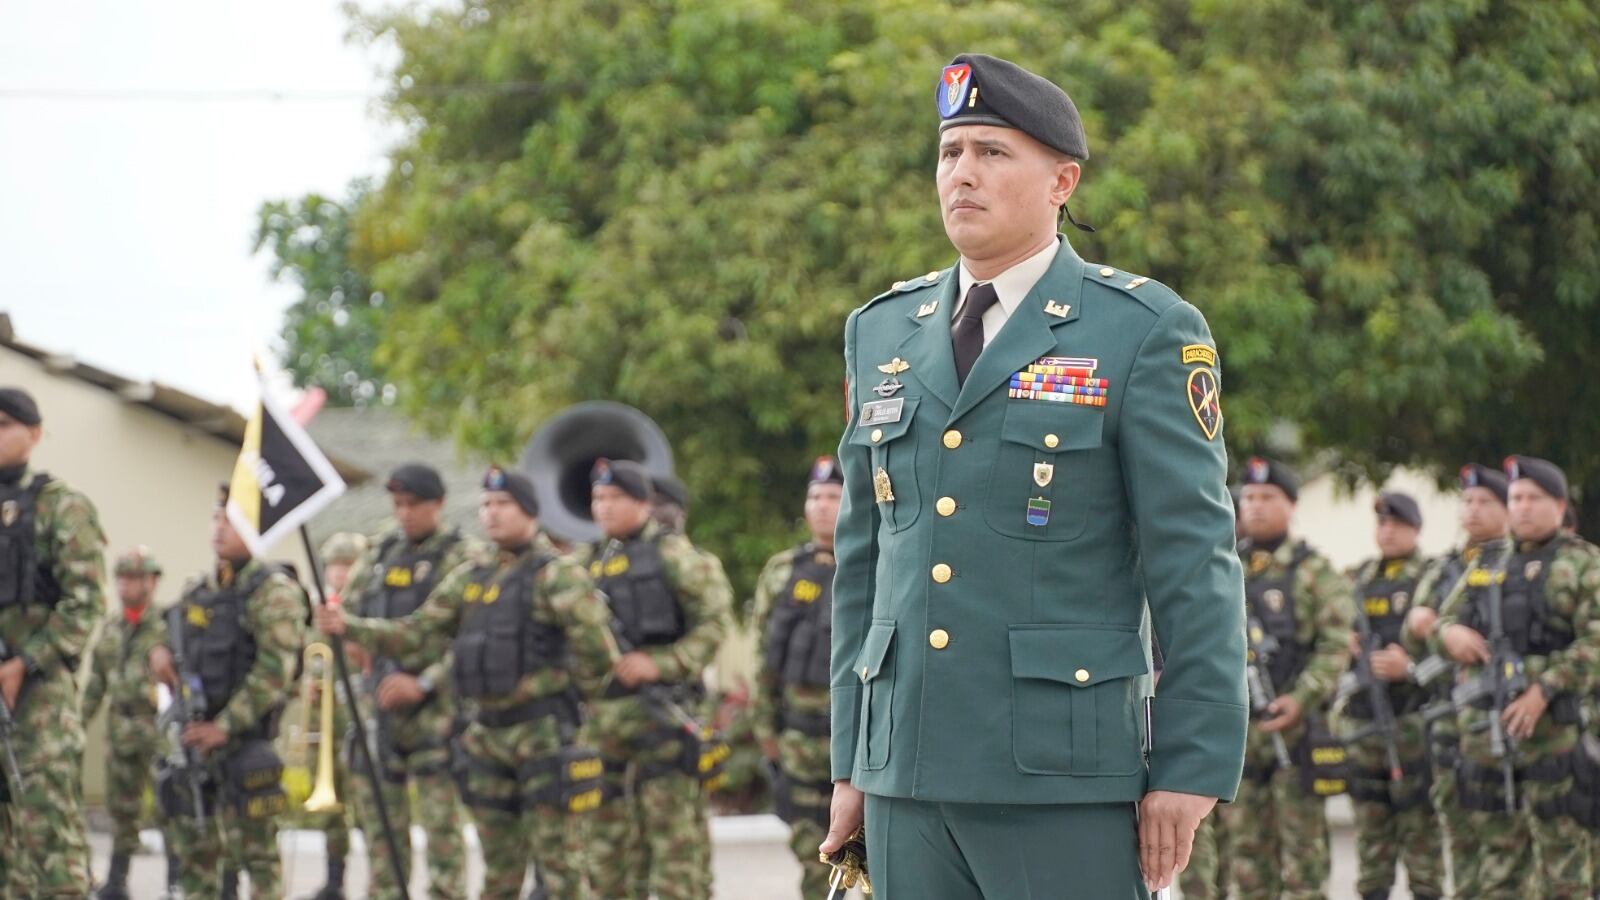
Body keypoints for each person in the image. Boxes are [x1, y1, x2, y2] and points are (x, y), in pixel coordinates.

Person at [822, 54, 1247, 898]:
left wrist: (1191, 766)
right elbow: (864, 565)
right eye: (949, 153)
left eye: (991, 152)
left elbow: (1194, 561)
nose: (962, 175)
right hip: (905, 773)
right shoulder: (882, 331)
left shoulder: (1142, 329)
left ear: (1062, 180)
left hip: (1060, 773)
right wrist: (851, 758)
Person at [318, 465, 615, 900]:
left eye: (503, 505)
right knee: (499, 870)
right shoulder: (472, 576)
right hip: (487, 739)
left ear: (530, 512)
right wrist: (349, 625)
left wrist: (574, 713)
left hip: (543, 737)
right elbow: (416, 631)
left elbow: (599, 657)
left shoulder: (557, 575)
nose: (491, 514)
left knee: (561, 868)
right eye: (486, 505)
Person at [1433, 456, 1600, 898]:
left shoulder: (1583, 564)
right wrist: (1448, 633)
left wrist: (1543, 689)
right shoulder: (1487, 564)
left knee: (1564, 872)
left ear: (1560, 506)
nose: (1522, 506)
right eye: (1516, 498)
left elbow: (1595, 642)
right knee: (1499, 874)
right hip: (1489, 742)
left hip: (1556, 742)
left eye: (1533, 498)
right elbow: (1438, 623)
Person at [576, 459, 733, 900]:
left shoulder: (676, 557)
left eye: (614, 498)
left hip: (664, 724)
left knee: (673, 856)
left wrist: (661, 663)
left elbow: (714, 624)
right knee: (604, 857)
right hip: (602, 729)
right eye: (597, 498)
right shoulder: (583, 565)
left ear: (643, 503)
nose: (603, 507)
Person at [148, 484, 307, 899]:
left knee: (258, 861)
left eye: (231, 520)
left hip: (243, 747)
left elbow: (275, 673)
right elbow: (164, 628)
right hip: (195, 746)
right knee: (197, 857)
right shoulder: (200, 590)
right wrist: (158, 650)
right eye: (216, 517)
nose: (219, 528)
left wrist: (223, 726)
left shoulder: (273, 592)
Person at [337, 464, 473, 900]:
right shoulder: (380, 555)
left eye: (414, 504)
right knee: (382, 836)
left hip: (437, 714)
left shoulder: (463, 557)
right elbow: (349, 617)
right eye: (398, 505)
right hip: (380, 710)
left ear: (439, 504)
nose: (405, 514)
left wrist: (425, 684)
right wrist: (350, 642)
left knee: (442, 835)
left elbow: (473, 640)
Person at [1224, 457, 1352, 899]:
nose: (1254, 506)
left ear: (1291, 505)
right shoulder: (1226, 567)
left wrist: (1300, 698)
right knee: (1246, 862)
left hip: (1296, 737)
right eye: (1249, 497)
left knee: (1303, 863)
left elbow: (1337, 646)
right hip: (1240, 737)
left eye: (1267, 498)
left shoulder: (1313, 571)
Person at [0, 386, 107, 897]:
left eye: (3, 426)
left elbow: (86, 602)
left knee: (49, 838)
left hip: (39, 699)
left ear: (34, 434)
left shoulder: (62, 506)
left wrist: (26, 663)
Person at [1406, 463, 1511, 897]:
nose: (1472, 510)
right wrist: (1436, 630)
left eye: (1485, 502)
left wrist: (1430, 623)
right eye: (1466, 502)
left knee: (1507, 848)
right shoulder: (1446, 567)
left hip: (1503, 724)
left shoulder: (1516, 562)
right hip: (1450, 724)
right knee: (1462, 842)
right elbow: (1410, 631)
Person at [1336, 492, 1443, 900]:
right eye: (1381, 524)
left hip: (1412, 721)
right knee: (1372, 840)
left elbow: (1448, 646)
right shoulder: (1358, 579)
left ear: (1415, 529)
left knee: (1421, 837)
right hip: (1366, 723)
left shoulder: (1432, 577)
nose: (1387, 531)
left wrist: (1410, 668)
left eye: (1396, 524)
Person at [750, 456, 842, 897]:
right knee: (814, 861)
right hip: (800, 741)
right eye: (815, 496)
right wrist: (766, 729)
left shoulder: (878, 562)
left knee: (884, 865)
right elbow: (763, 657)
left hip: (861, 742)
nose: (822, 505)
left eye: (833, 496)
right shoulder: (783, 570)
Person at [85, 547, 176, 900]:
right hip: (120, 727)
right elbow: (96, 681)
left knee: (169, 806)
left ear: (151, 582)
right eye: (122, 578)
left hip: (158, 727)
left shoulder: (167, 625)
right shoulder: (111, 627)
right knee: (121, 809)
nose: (127, 585)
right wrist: (78, 725)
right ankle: (117, 882)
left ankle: (175, 882)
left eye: (135, 578)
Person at [296, 530, 368, 900]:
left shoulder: (367, 608)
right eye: (335, 567)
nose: (340, 574)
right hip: (327, 721)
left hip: (360, 717)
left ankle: (378, 879)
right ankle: (334, 880)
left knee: (369, 802)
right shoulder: (317, 613)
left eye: (347, 566)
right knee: (331, 803)